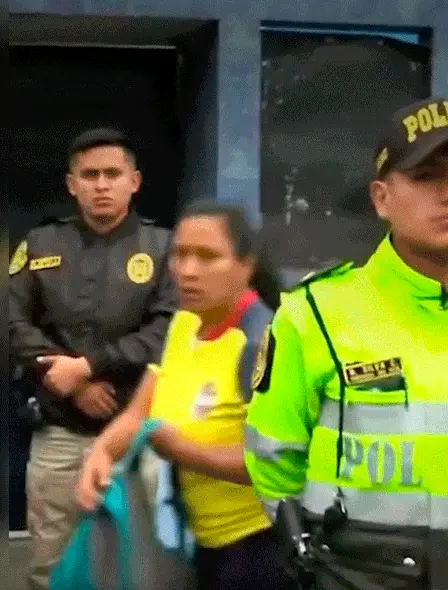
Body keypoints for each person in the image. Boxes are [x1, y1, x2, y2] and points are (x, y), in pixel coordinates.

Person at [243, 96, 448, 590]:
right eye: (428, 175)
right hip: (357, 576)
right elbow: (273, 460)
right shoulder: (313, 314)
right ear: (382, 198)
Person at [74, 201, 296, 590]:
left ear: (247, 264)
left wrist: (177, 448)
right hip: (197, 540)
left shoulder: (261, 343)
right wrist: (102, 452)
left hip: (259, 549)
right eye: (179, 254)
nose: (187, 270)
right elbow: (139, 411)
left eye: (207, 256)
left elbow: (276, 464)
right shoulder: (182, 325)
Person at [9, 127, 176, 589]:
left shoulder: (164, 249)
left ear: (134, 181)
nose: (101, 184)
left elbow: (169, 330)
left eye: (112, 174)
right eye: (90, 175)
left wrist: (89, 366)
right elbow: (13, 323)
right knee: (51, 567)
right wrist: (73, 383)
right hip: (61, 431)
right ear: (71, 184)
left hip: (141, 439)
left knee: (144, 569)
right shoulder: (41, 245)